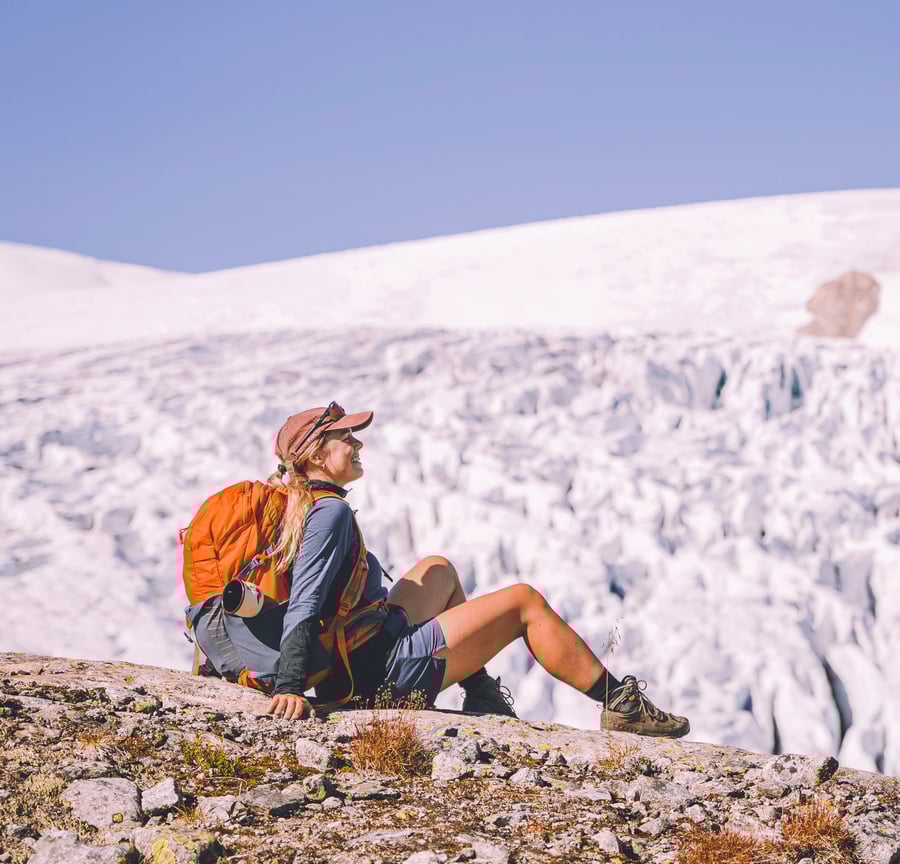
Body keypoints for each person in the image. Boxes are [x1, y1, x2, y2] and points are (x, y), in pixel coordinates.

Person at [193, 402, 690, 738]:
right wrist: (289, 687)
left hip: (358, 650)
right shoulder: (329, 513)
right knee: (524, 602)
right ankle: (622, 706)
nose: (358, 445)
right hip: (374, 676)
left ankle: (481, 695)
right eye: (346, 438)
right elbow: (306, 600)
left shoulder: (296, 505)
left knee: (438, 569)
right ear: (318, 454)